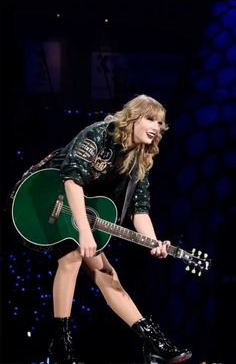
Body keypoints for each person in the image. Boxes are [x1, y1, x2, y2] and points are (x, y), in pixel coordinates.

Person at [14, 94, 192, 364]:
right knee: (73, 257)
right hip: (44, 195)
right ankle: (60, 345)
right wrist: (84, 232)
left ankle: (152, 342)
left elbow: (139, 210)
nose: (157, 126)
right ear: (134, 117)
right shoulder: (99, 134)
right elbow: (72, 180)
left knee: (105, 272)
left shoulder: (139, 160)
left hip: (78, 210)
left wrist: (153, 242)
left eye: (160, 122)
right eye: (151, 119)